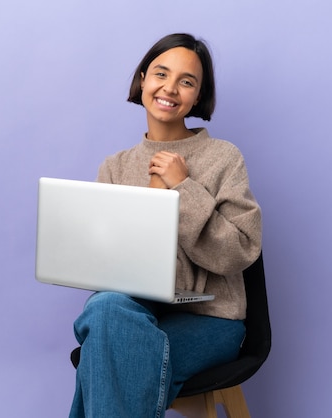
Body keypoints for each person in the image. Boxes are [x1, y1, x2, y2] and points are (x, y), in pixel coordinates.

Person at [68, 33, 262, 418]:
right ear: (143, 79)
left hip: (210, 320)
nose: (170, 88)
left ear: (197, 96)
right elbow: (104, 265)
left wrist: (183, 188)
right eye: (161, 74)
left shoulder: (223, 157)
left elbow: (239, 251)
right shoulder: (115, 167)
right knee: (107, 310)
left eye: (186, 82)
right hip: (135, 311)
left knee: (108, 351)